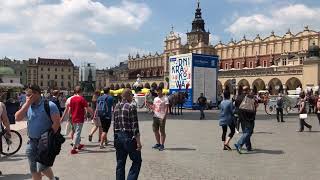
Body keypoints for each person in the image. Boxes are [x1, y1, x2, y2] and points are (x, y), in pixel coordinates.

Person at [15, 85, 60, 180]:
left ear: (37, 93)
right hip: (31, 142)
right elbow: (17, 118)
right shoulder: (28, 105)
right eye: (26, 95)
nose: (27, 97)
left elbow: (56, 123)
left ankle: (52, 178)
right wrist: (27, 104)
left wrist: (48, 139)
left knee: (42, 167)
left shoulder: (50, 105)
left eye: (29, 95)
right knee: (34, 169)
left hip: (44, 142)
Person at [113, 88, 142, 180]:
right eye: (131, 96)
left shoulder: (116, 107)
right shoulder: (131, 107)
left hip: (118, 137)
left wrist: (115, 138)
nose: (132, 97)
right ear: (128, 96)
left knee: (120, 163)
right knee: (137, 161)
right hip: (128, 137)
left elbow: (114, 124)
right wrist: (138, 142)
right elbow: (135, 126)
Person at [64, 86, 93, 154]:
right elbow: (87, 108)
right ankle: (73, 148)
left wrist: (69, 117)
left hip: (73, 118)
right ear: (81, 91)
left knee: (76, 131)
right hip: (79, 118)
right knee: (77, 132)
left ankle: (78, 145)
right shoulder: (82, 99)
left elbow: (70, 109)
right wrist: (93, 113)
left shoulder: (72, 99)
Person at [234, 86, 258, 154]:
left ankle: (248, 147)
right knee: (249, 132)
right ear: (247, 90)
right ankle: (239, 144)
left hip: (241, 117)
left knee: (245, 131)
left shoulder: (238, 97)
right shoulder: (250, 97)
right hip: (249, 117)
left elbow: (236, 106)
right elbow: (255, 105)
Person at [152, 87, 169, 151]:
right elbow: (154, 107)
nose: (158, 92)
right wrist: (151, 108)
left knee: (162, 131)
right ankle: (158, 143)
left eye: (159, 91)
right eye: (157, 91)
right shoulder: (155, 98)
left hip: (162, 117)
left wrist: (165, 116)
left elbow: (167, 108)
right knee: (155, 130)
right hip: (155, 116)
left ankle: (162, 145)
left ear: (161, 91)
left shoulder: (165, 98)